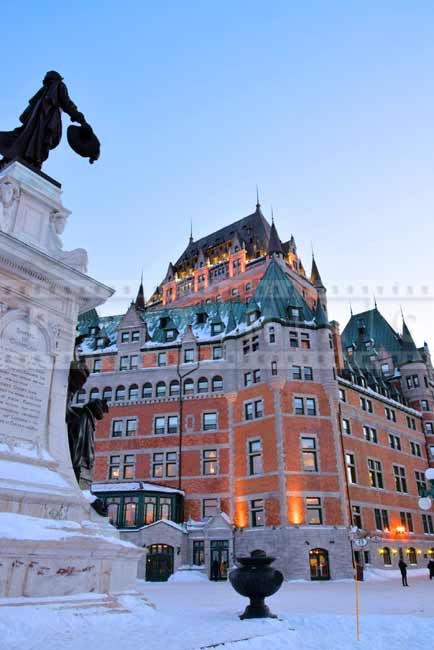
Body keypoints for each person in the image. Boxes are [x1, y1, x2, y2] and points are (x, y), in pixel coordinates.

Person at [0, 71, 88, 170]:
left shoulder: (57, 87)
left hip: (46, 122)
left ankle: (31, 161)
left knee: (35, 141)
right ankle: (13, 160)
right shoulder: (43, 93)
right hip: (35, 123)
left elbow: (67, 104)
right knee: (24, 139)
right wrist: (82, 121)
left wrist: (81, 120)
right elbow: (67, 104)